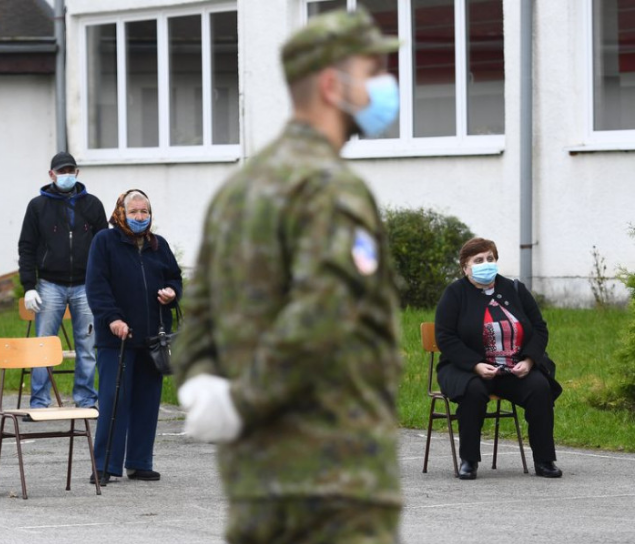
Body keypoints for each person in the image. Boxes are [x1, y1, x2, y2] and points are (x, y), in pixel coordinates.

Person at [174, 9, 404, 544]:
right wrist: (244, 401)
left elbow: (198, 311)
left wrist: (207, 390)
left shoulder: (240, 188)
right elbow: (324, 312)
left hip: (255, 478)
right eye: (372, 72)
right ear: (332, 85)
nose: (384, 86)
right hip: (335, 483)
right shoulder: (330, 187)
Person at [435, 237, 563, 480]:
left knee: (539, 387)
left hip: (514, 368)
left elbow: (539, 328)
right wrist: (475, 365)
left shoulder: (515, 290)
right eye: (479, 260)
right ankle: (469, 461)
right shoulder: (454, 294)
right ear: (465, 267)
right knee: (473, 391)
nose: (486, 263)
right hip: (467, 369)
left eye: (490, 259)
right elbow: (446, 337)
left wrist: (529, 361)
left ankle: (545, 460)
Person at [85, 190, 182, 484]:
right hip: (117, 338)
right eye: (134, 212)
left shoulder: (158, 245)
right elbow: (96, 285)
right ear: (121, 213)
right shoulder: (105, 242)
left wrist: (172, 292)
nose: (140, 217)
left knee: (147, 400)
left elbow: (174, 277)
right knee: (114, 400)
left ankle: (139, 462)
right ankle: (104, 466)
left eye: (145, 212)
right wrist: (112, 318)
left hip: (153, 339)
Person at [18, 151, 108, 409]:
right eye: (61, 171)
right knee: (43, 345)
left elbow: (104, 247)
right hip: (49, 285)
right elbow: (27, 247)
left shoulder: (92, 205)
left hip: (85, 285)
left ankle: (86, 399)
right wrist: (29, 287)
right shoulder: (37, 206)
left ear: (77, 173)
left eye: (70, 171)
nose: (66, 175)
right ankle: (39, 402)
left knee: (88, 345)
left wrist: (102, 283)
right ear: (51, 175)